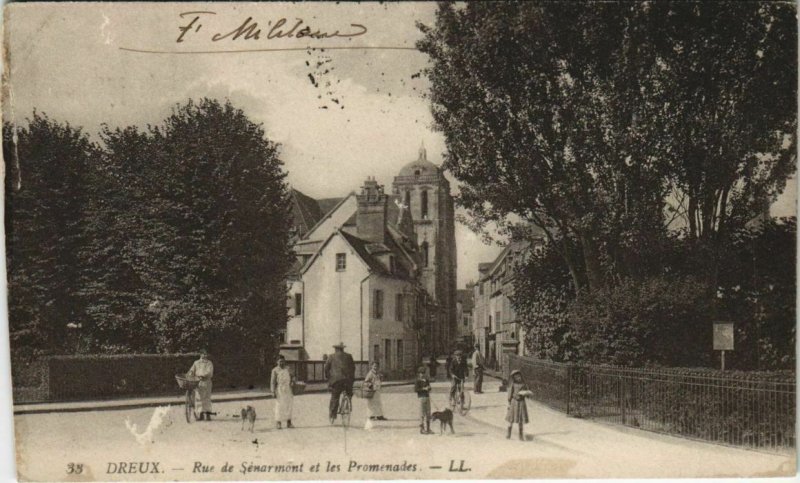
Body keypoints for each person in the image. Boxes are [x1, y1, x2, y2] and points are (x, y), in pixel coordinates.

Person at [324, 342, 355, 424]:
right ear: (343, 349)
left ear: (335, 349)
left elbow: (326, 368)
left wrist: (328, 378)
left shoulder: (331, 356)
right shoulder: (349, 356)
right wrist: (351, 379)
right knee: (349, 393)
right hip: (347, 380)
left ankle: (333, 414)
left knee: (335, 396)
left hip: (336, 381)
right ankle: (348, 405)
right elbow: (353, 368)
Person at [187, 349, 214, 421]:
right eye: (203, 354)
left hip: (207, 382)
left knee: (207, 397)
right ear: (200, 354)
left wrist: (203, 375)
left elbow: (209, 372)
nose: (205, 355)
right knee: (199, 398)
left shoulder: (209, 363)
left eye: (206, 354)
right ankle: (201, 414)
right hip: (198, 382)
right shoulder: (196, 363)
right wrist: (190, 373)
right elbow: (192, 370)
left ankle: (208, 414)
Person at [270, 355, 294, 429]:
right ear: (277, 362)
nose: (281, 363)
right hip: (279, 390)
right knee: (279, 406)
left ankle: (289, 422)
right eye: (280, 361)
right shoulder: (275, 370)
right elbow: (273, 382)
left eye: (283, 361)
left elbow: (293, 377)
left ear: (285, 361)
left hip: (288, 389)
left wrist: (293, 382)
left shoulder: (288, 369)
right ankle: (278, 423)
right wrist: (273, 391)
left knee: (289, 406)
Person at [506, 369, 530, 441]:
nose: (518, 378)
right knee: (511, 419)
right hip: (514, 402)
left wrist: (527, 394)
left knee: (520, 419)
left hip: (521, 403)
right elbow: (510, 395)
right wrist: (509, 403)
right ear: (514, 378)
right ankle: (508, 433)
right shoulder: (513, 385)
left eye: (519, 376)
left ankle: (520, 435)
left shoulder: (524, 384)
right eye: (516, 377)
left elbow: (527, 392)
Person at [414, 366, 433, 434]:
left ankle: (428, 428)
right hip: (421, 398)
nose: (423, 374)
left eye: (424, 373)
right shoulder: (417, 381)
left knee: (428, 413)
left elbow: (429, 388)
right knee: (422, 413)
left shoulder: (426, 380)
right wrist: (423, 389)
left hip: (427, 397)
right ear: (419, 374)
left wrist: (429, 388)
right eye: (421, 373)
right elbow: (416, 390)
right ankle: (422, 429)